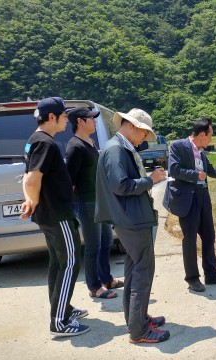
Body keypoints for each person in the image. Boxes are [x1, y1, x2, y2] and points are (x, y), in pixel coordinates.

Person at [94, 108, 170, 344]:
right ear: (134, 127)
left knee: (133, 270)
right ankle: (139, 331)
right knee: (142, 273)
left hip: (130, 218)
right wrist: (151, 180)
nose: (143, 140)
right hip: (132, 220)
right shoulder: (117, 149)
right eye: (143, 135)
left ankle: (137, 318)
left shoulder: (119, 146)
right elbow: (121, 186)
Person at [20, 97, 90, 337]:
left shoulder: (34, 141)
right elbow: (31, 179)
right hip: (57, 214)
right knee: (70, 262)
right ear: (52, 117)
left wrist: (30, 201)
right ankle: (59, 321)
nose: (65, 120)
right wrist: (33, 201)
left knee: (58, 262)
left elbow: (29, 175)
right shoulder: (45, 143)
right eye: (63, 116)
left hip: (52, 214)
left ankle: (64, 308)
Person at [163, 118, 216, 293]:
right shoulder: (178, 146)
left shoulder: (201, 151)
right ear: (202, 134)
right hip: (187, 199)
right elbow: (174, 170)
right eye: (211, 135)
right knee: (190, 239)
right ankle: (192, 278)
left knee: (209, 235)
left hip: (202, 197)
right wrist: (195, 175)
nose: (211, 139)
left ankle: (211, 274)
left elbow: (211, 171)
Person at [65, 107, 123, 300]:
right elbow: (70, 181)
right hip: (87, 203)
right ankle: (94, 286)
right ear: (80, 121)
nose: (94, 121)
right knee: (93, 246)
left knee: (107, 241)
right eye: (91, 118)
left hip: (99, 201)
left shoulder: (90, 142)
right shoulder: (75, 147)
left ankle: (106, 278)